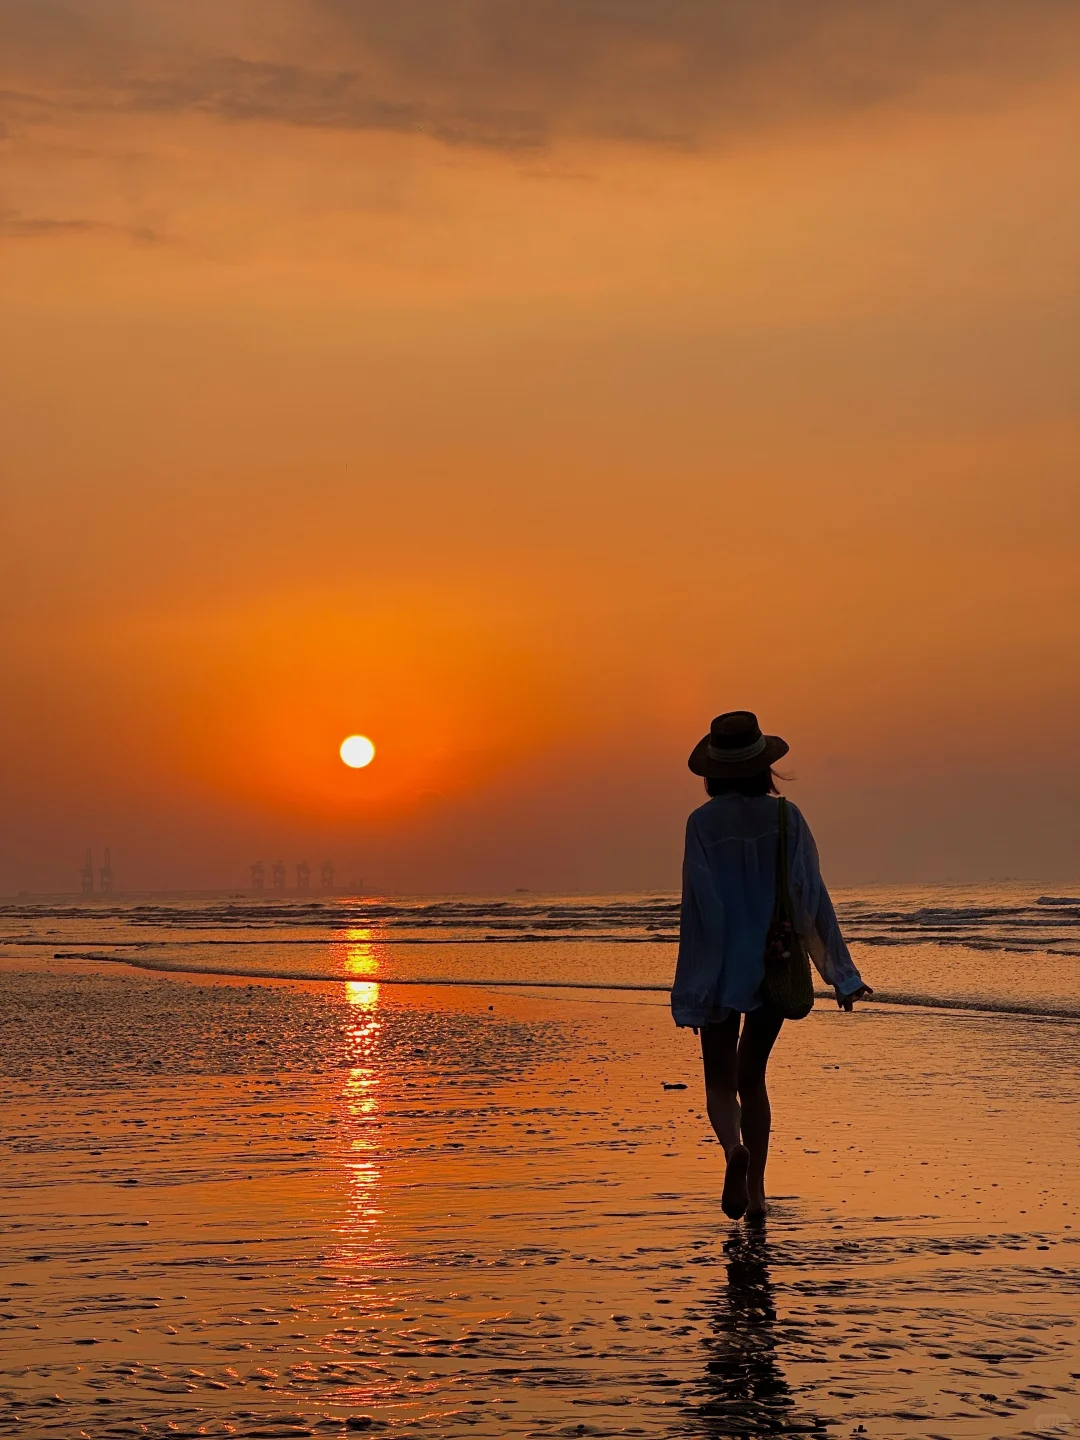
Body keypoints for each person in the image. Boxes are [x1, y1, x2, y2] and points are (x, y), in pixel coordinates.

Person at [671, 710, 872, 1221]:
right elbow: (810, 898)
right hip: (774, 963)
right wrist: (841, 974)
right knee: (752, 1078)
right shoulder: (787, 819)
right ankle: (758, 1192)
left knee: (719, 1084)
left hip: (720, 971)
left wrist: (695, 989)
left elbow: (699, 909)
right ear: (764, 766)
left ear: (713, 771)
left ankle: (731, 1149)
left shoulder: (701, 825)